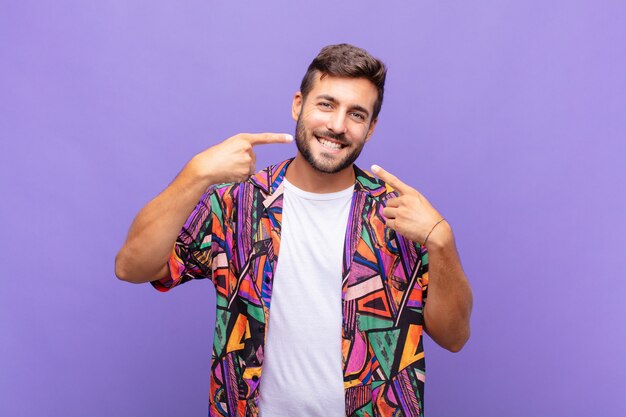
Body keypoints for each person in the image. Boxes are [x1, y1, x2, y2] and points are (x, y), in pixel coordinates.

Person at [115, 43, 473, 417]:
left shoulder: (398, 215)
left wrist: (442, 241)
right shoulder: (239, 202)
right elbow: (132, 267)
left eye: (356, 114)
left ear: (370, 129)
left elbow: (454, 337)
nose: (337, 126)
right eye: (326, 104)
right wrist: (197, 173)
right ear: (297, 105)